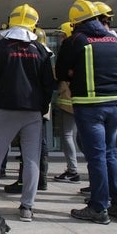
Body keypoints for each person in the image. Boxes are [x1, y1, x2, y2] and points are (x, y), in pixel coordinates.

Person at [0, 4, 54, 222]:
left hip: (3, 108)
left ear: (10, 21)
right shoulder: (40, 50)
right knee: (32, 159)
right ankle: (27, 207)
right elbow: (48, 84)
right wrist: (41, 106)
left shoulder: (0, 48)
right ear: (34, 24)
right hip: (31, 111)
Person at [57, 0, 117, 224]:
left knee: (96, 156)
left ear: (76, 22)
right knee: (110, 153)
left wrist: (72, 72)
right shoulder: (115, 40)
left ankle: (98, 208)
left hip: (90, 106)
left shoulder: (76, 41)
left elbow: (60, 72)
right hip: (116, 104)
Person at [2, 26, 51, 194]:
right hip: (38, 104)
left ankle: (28, 181)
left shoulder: (36, 50)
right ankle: (40, 179)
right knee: (37, 144)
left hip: (32, 105)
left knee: (31, 148)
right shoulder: (42, 51)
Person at [52, 22, 81, 183]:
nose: (60, 38)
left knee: (68, 135)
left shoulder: (70, 50)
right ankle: (73, 169)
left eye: (62, 35)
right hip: (73, 101)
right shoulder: (78, 48)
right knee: (73, 136)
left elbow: (60, 73)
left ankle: (73, 170)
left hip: (70, 101)